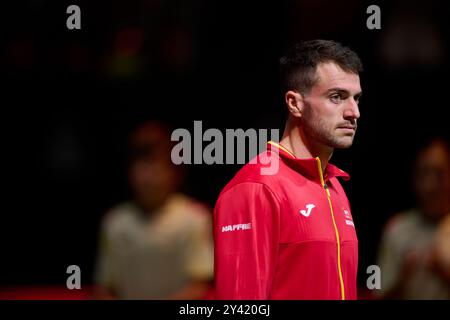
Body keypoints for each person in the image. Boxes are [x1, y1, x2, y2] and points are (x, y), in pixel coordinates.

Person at [213, 40, 363, 299]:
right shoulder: (256, 188)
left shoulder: (335, 186)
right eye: (337, 97)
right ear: (295, 104)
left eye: (356, 98)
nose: (354, 112)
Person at [94, 121, 214, 299]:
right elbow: (105, 288)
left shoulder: (195, 218)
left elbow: (199, 286)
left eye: (157, 166)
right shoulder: (115, 222)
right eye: (142, 166)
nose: (148, 177)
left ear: (175, 172)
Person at [377, 138, 450, 299]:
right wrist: (403, 278)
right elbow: (374, 288)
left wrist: (443, 272)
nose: (430, 184)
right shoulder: (396, 229)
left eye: (439, 174)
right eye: (423, 173)